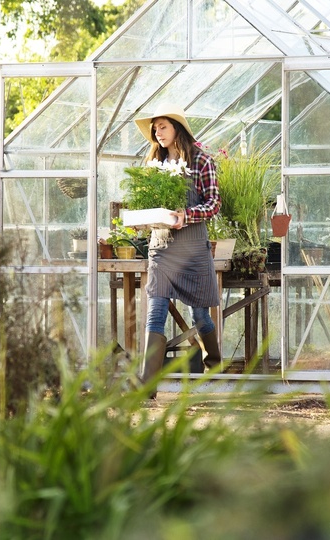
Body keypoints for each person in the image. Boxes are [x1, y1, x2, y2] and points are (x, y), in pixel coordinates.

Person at [132, 104, 223, 392]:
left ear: (177, 128)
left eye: (163, 126)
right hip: (161, 248)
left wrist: (187, 216)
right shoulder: (152, 165)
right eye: (155, 128)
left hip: (193, 249)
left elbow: (213, 204)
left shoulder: (201, 162)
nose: (157, 133)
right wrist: (141, 220)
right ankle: (147, 384)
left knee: (200, 316)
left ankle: (214, 361)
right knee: (155, 310)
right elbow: (145, 204)